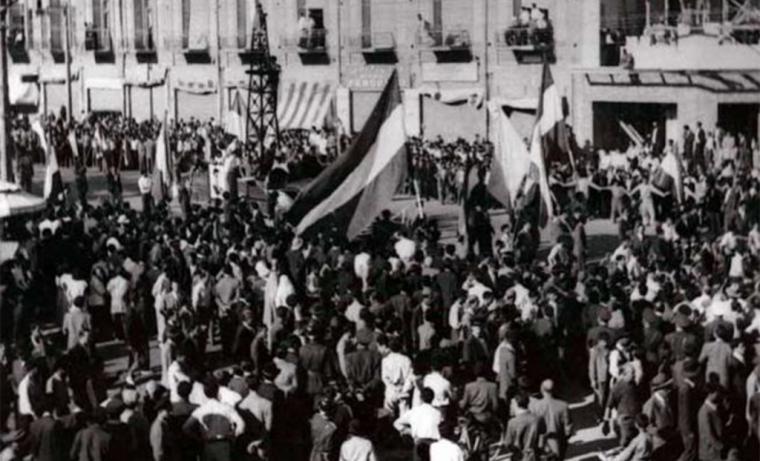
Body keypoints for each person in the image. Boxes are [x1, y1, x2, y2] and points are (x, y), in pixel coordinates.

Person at [182, 376, 246, 461]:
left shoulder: (201, 410)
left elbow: (186, 427)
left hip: (208, 444)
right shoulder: (226, 408)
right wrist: (233, 436)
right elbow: (241, 424)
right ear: (217, 390)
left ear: (205, 393)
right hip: (224, 443)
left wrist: (198, 438)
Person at [394, 388, 441, 461]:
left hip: (420, 442)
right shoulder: (437, 413)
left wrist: (408, 431)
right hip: (433, 444)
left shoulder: (414, 411)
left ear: (420, 398)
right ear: (433, 398)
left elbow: (396, 423)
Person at [532, 379, 572, 460]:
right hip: (559, 440)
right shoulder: (563, 405)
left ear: (542, 389)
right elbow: (568, 428)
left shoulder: (535, 407)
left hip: (541, 442)